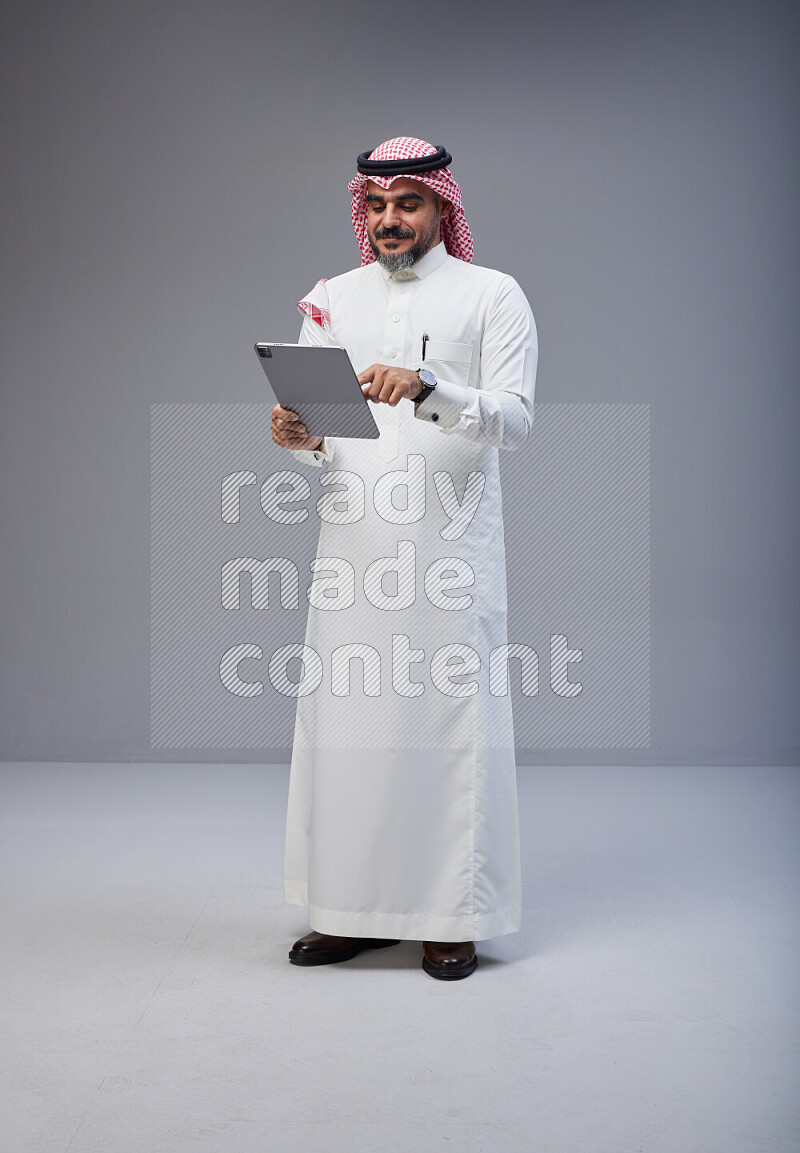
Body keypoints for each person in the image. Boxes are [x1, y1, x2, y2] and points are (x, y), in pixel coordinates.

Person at [271, 137, 538, 980]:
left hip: (448, 552)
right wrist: (301, 435)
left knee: (445, 728)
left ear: (440, 207)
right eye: (378, 205)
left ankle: (450, 916)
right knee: (349, 729)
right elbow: (321, 432)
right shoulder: (330, 298)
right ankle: (348, 911)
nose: (390, 219)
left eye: (409, 203)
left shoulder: (493, 294)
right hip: (353, 547)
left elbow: (517, 420)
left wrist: (430, 388)